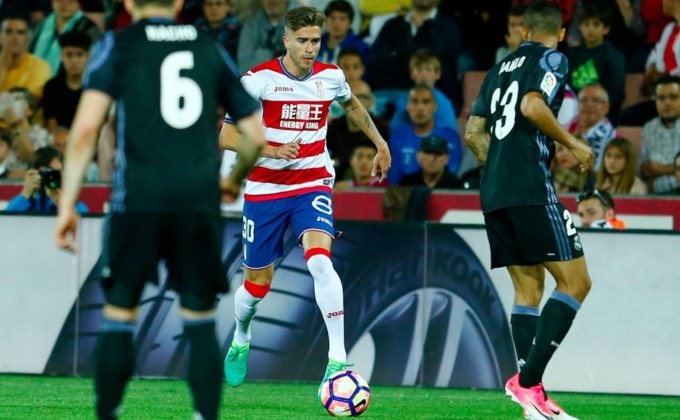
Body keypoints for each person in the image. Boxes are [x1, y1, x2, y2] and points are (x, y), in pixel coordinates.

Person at [52, 1, 266, 419]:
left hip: (138, 201)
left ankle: (107, 414)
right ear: (180, 4)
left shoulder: (120, 43)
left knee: (120, 313)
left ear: (130, 4)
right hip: (197, 201)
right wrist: (230, 179)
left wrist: (66, 205)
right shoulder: (208, 46)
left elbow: (84, 132)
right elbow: (255, 137)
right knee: (200, 317)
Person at [218, 5, 391, 392]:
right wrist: (274, 149)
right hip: (264, 189)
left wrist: (379, 143)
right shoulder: (258, 80)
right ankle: (241, 336)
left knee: (320, 262)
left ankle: (337, 362)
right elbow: (227, 137)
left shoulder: (331, 77)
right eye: (303, 41)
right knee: (257, 286)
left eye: (316, 40)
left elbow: (352, 105)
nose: (310, 48)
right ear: (286, 40)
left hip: (312, 183)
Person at [463, 2, 594, 419]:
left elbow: (473, 133)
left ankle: (532, 401)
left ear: (521, 30)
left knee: (528, 291)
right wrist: (574, 144)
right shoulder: (553, 57)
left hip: (495, 189)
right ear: (560, 33)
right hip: (531, 187)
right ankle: (526, 383)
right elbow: (533, 107)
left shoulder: (498, 68)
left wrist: (500, 167)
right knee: (575, 283)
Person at [388, 84, 462, 185]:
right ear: (407, 106)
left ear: (434, 107)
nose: (420, 108)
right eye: (415, 102)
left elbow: (451, 172)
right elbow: (394, 178)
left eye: (426, 102)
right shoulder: (397, 137)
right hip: (406, 193)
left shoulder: (450, 136)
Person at [566, 0, 626, 123]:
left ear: (606, 29)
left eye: (596, 24)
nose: (590, 29)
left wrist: (593, 104)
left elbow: (616, 93)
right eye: (586, 24)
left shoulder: (614, 56)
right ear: (580, 27)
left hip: (604, 114)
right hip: (573, 111)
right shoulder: (572, 54)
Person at [327, 79, 390, 179]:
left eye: (363, 97)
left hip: (374, 185)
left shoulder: (381, 128)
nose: (357, 102)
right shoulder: (334, 127)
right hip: (338, 185)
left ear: (371, 101)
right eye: (352, 97)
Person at [389, 49, 458, 133]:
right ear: (411, 74)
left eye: (428, 70)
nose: (423, 74)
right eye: (419, 70)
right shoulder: (403, 102)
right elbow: (393, 132)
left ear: (438, 74)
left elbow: (451, 134)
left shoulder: (444, 103)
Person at [6, 145, 89, 213]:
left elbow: (80, 225)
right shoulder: (28, 202)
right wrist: (25, 194)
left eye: (56, 173)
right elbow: (6, 222)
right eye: (46, 172)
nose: (51, 177)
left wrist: (60, 202)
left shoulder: (76, 205)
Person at [30, 0, 102, 76]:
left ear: (78, 2)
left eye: (70, 0)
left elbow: (95, 64)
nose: (65, 3)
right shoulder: (41, 25)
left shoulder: (89, 29)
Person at [42, 30, 92, 132]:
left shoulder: (96, 87)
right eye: (69, 55)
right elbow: (52, 126)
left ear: (87, 57)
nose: (74, 61)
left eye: (79, 55)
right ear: (61, 57)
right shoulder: (51, 87)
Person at [639, 74, 680, 194]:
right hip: (659, 198)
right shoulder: (649, 128)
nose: (667, 103)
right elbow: (644, 168)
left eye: (673, 97)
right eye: (661, 98)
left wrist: (661, 169)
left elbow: (654, 168)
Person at [567, 82, 618, 170]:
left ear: (607, 107)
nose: (589, 105)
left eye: (596, 100)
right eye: (584, 100)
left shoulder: (614, 139)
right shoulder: (565, 128)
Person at [0, 14, 52, 101]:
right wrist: (2, 68)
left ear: (28, 39)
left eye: (20, 32)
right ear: (0, 37)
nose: (14, 37)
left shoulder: (40, 66)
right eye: (8, 32)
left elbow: (29, 104)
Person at [236, 0, 289, 74]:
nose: (272, 1)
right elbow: (244, 67)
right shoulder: (250, 27)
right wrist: (274, 56)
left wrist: (259, 55)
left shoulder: (300, 25)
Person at [318, 0, 369, 65]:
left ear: (350, 23)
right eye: (333, 18)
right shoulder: (315, 44)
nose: (337, 23)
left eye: (342, 19)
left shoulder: (360, 48)